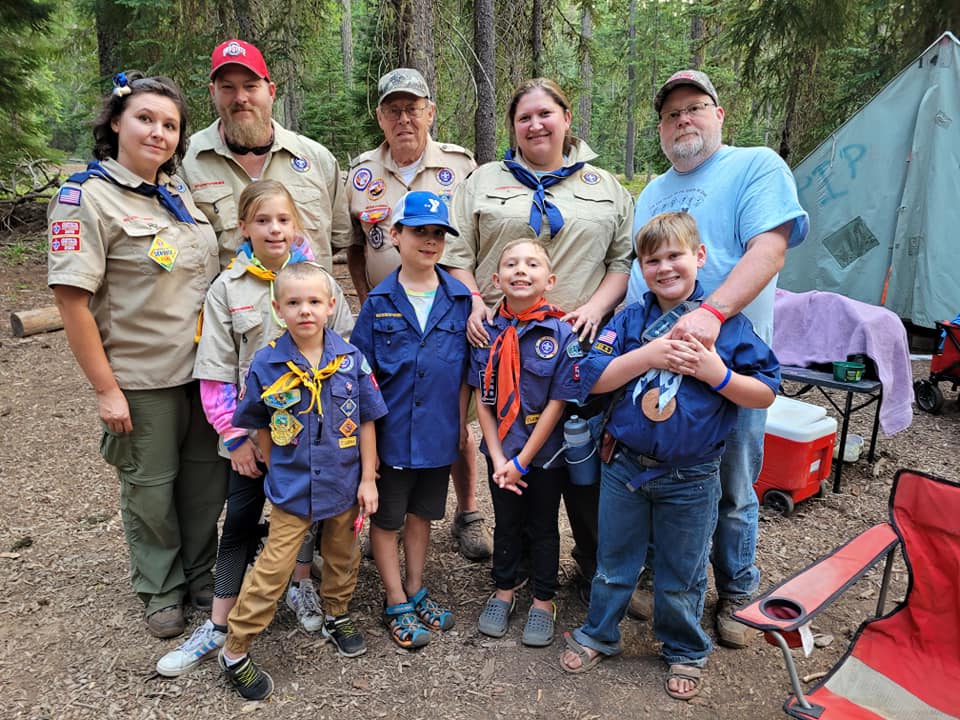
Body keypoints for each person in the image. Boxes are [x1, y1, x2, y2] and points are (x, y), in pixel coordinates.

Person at [560, 212, 780, 700]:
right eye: (651, 259)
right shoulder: (631, 319)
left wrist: (714, 373)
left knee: (682, 571)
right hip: (624, 468)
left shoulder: (731, 327)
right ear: (639, 267)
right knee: (614, 561)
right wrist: (652, 355)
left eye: (675, 256)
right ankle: (600, 632)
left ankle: (683, 647)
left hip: (694, 475)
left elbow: (764, 393)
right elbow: (592, 380)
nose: (664, 268)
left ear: (700, 257)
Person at [624, 70, 808, 646]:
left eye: (695, 107)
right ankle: (667, 577)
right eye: (671, 112)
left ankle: (736, 591)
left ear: (719, 114)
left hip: (727, 360)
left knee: (732, 483)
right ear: (660, 127)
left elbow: (770, 248)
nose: (683, 119)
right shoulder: (651, 192)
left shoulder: (755, 166)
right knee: (660, 469)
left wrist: (713, 313)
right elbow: (641, 276)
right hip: (660, 362)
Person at [47, 72, 226, 638]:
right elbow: (72, 302)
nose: (158, 132)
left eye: (170, 125)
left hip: (204, 374)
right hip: (143, 378)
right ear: (117, 123)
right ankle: (160, 588)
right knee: (151, 490)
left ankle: (202, 574)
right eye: (146, 119)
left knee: (205, 484)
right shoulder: (87, 198)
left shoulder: (179, 198)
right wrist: (106, 389)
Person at [443, 77, 634, 599]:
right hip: (502, 342)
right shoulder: (482, 182)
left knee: (582, 459)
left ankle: (593, 565)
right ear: (513, 126)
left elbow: (621, 262)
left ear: (567, 119)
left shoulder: (604, 187)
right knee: (512, 442)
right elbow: (455, 256)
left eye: (546, 113)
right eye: (524, 117)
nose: (535, 124)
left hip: (579, 341)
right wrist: (476, 303)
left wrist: (595, 309)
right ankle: (520, 562)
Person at [155, 179, 354, 677]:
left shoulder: (317, 280)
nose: (274, 229)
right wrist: (237, 438)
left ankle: (302, 585)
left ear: (297, 225)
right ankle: (221, 625)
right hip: (252, 440)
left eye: (283, 220)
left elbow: (347, 352)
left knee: (312, 514)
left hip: (315, 438)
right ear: (243, 227)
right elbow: (217, 371)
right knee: (241, 521)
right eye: (262, 220)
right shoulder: (228, 288)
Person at [219, 262, 387, 700]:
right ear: (278, 309)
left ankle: (337, 612)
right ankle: (235, 648)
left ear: (332, 306)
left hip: (344, 484)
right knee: (274, 569)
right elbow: (257, 422)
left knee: (342, 554)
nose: (305, 311)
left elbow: (367, 421)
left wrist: (368, 479)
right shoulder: (266, 364)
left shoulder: (350, 361)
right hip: (292, 490)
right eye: (294, 303)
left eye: (314, 301)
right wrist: (277, 467)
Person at [346, 68, 489, 562]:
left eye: (413, 108)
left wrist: (471, 298)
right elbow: (353, 247)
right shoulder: (360, 174)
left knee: (454, 421)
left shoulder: (460, 166)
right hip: (390, 319)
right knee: (388, 417)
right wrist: (369, 298)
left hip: (447, 316)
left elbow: (470, 238)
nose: (404, 118)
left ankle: (467, 513)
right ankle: (385, 512)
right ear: (381, 117)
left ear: (430, 111)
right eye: (393, 109)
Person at [351, 191, 471, 649]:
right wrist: (368, 451)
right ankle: (394, 598)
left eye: (438, 234)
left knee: (422, 516)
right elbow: (361, 379)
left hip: (439, 436)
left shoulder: (459, 300)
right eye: (419, 231)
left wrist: (460, 423)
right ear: (396, 236)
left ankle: (416, 586)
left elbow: (466, 372)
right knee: (387, 520)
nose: (429, 241)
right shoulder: (378, 303)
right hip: (393, 437)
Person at [470, 240, 578, 647]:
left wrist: (523, 460)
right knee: (507, 523)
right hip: (501, 453)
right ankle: (504, 589)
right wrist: (500, 458)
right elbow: (483, 400)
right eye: (511, 264)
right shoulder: (485, 333)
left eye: (532, 264)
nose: (521, 270)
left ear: (548, 280)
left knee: (544, 526)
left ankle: (544, 599)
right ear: (496, 280)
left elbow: (558, 403)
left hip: (545, 455)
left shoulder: (562, 332)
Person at [180, 39, 351, 271]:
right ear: (213, 93)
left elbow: (340, 240)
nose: (240, 98)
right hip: (226, 306)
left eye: (251, 86)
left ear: (271, 91)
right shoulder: (186, 164)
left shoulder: (318, 160)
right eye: (228, 87)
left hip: (306, 305)